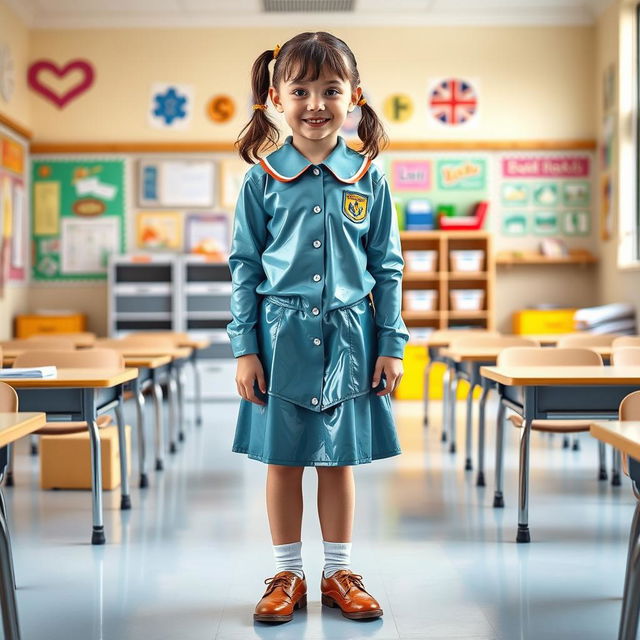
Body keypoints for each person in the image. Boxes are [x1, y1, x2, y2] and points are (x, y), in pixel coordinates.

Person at [227, 31, 408, 623]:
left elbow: (386, 267)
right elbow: (245, 267)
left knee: (339, 460)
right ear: (276, 98)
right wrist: (243, 348)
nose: (315, 104)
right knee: (283, 460)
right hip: (278, 341)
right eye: (300, 90)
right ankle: (286, 573)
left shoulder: (369, 178)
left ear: (354, 96)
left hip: (352, 341)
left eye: (330, 90)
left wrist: (391, 344)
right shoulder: (261, 179)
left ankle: (337, 572)